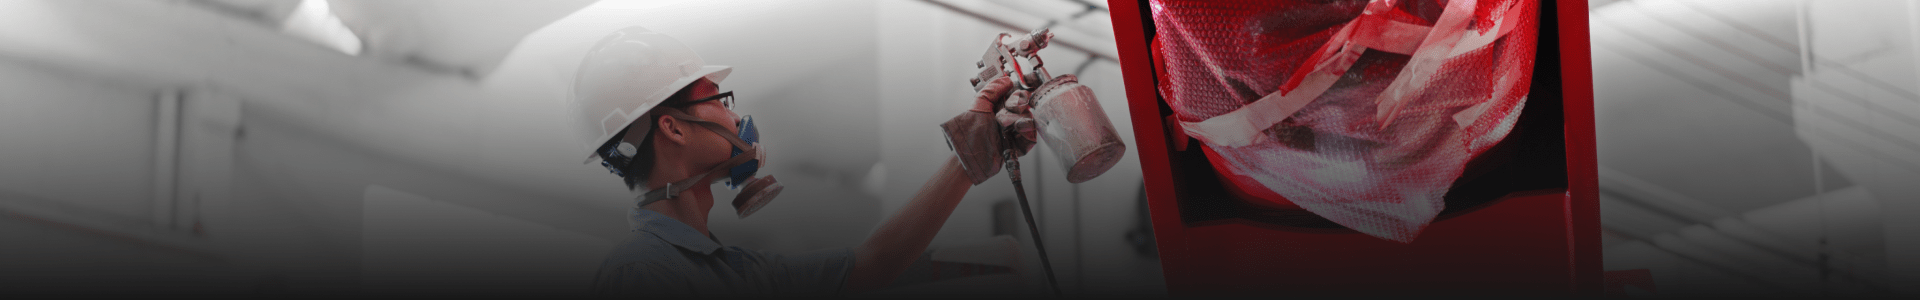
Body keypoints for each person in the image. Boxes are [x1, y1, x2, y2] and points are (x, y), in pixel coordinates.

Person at [568, 27, 1032, 296]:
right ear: (673, 127)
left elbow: (872, 264)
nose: (734, 117)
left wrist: (975, 147)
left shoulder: (733, 269)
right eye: (719, 99)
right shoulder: (643, 273)